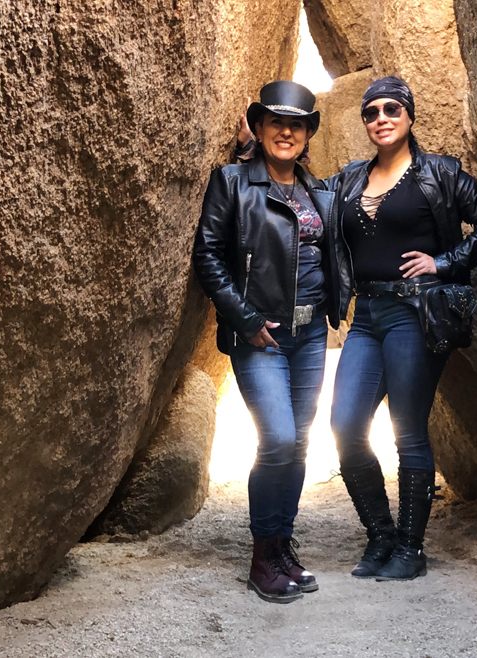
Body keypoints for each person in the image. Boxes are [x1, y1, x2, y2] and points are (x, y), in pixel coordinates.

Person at [328, 77, 477, 581]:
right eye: (372, 111)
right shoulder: (349, 179)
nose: (381, 117)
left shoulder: (438, 173)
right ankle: (381, 536)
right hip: (367, 316)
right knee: (344, 425)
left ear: (410, 116)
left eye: (392, 109)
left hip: (415, 315)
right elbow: (306, 206)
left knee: (408, 430)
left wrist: (444, 262)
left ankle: (411, 548)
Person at [193, 81, 343, 603]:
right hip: (259, 336)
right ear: (259, 128)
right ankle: (262, 558)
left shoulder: (318, 191)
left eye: (297, 124)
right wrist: (246, 316)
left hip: (310, 337)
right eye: (276, 122)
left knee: (299, 445)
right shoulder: (232, 182)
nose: (286, 131)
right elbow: (209, 255)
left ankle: (282, 546)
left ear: (307, 135)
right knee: (277, 438)